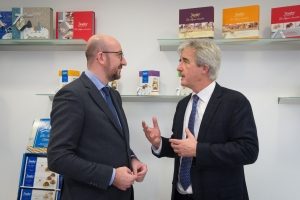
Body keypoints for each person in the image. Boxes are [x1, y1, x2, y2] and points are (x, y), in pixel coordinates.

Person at [142, 39, 258, 200]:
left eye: (185, 61)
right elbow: (182, 147)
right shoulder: (183, 104)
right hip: (181, 195)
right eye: (179, 61)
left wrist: (198, 150)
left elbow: (248, 151)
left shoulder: (235, 101)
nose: (178, 67)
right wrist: (159, 143)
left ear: (204, 68)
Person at [48, 34, 147, 200]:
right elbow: (58, 158)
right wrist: (111, 176)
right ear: (101, 57)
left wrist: (132, 159)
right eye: (119, 55)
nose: (124, 62)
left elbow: (108, 139)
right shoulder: (72, 95)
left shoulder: (113, 95)